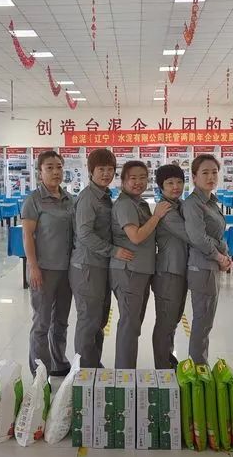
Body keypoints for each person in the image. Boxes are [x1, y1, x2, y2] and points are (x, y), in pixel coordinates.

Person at [70, 148, 134, 368]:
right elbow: (85, 234)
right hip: (87, 266)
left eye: (110, 169)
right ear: (91, 171)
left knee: (99, 319)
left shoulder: (105, 196)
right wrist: (113, 251)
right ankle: (84, 371)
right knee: (89, 320)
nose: (106, 174)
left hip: (99, 265)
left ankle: (93, 365)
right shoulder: (88, 197)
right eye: (101, 169)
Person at [110, 160, 171, 369]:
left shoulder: (139, 203)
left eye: (143, 178)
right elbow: (135, 237)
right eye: (133, 178)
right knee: (129, 325)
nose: (138, 182)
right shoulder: (125, 204)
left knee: (133, 324)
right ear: (123, 181)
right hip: (129, 271)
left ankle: (127, 371)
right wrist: (157, 216)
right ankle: (124, 375)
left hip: (140, 271)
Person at [21, 151, 74, 376]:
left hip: (67, 270)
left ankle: (58, 361)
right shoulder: (33, 200)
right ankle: (39, 371)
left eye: (59, 167)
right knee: (42, 322)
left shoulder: (70, 199)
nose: (55, 172)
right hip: (43, 269)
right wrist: (33, 267)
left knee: (61, 321)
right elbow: (27, 236)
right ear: (40, 172)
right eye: (49, 167)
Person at [182, 154, 231, 365]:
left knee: (206, 320)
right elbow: (197, 238)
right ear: (194, 177)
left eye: (214, 172)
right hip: (201, 267)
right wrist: (220, 256)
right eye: (205, 173)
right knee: (202, 321)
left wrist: (225, 256)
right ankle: (198, 367)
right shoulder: (193, 204)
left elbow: (217, 234)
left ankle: (199, 364)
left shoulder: (211, 202)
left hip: (212, 265)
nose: (211, 177)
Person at [152, 164, 191, 369]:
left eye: (179, 182)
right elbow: (190, 234)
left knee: (174, 318)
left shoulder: (180, 205)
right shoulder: (166, 209)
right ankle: (162, 365)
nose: (175, 186)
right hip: (168, 272)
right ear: (161, 186)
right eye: (170, 183)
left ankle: (167, 355)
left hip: (181, 270)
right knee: (166, 321)